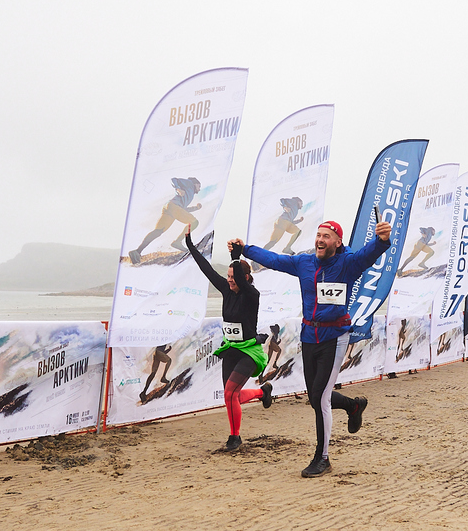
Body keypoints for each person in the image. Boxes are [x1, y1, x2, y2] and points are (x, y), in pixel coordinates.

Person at [230, 219, 391, 478]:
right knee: (316, 397)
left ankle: (322, 458)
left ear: (337, 242)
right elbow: (273, 259)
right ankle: (353, 406)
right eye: (318, 235)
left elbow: (367, 254)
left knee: (321, 399)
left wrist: (381, 241)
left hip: (335, 336)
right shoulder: (304, 263)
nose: (320, 240)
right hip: (309, 336)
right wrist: (245, 248)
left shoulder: (347, 265)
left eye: (326, 236)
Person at [185, 227, 272, 451]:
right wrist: (189, 245)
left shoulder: (252, 295)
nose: (229, 280)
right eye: (228, 277)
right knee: (231, 396)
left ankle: (235, 438)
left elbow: (240, 280)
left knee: (229, 393)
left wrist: (235, 257)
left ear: (244, 279)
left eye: (233, 278)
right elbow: (206, 269)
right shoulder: (226, 289)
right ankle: (262, 392)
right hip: (231, 349)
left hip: (250, 351)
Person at [128, 177, 202, 264]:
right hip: (173, 207)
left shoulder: (189, 194)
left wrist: (196, 208)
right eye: (199, 186)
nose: (199, 189)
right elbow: (174, 180)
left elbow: (183, 210)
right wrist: (178, 188)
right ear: (195, 183)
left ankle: (137, 251)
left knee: (158, 231)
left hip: (170, 207)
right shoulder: (190, 183)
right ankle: (177, 242)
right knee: (194, 222)